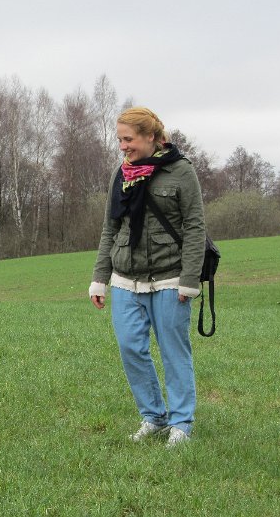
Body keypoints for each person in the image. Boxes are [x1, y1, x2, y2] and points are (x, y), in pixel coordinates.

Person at [89, 107, 206, 448]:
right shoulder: (121, 173)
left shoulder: (181, 171)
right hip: (126, 278)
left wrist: (189, 279)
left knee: (173, 353)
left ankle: (181, 423)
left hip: (170, 278)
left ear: (151, 137)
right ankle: (154, 417)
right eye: (119, 140)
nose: (123, 146)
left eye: (129, 139)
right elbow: (110, 228)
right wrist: (100, 277)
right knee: (131, 348)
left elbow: (195, 227)